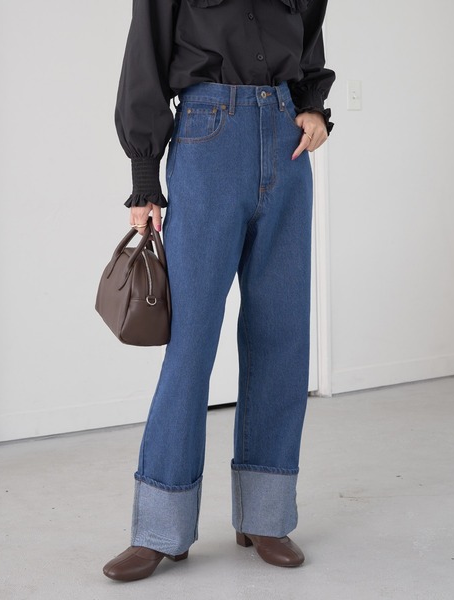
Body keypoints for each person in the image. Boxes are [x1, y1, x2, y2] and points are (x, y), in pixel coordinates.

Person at [103, 0, 335, 581]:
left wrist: (312, 107)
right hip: (208, 137)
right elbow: (145, 56)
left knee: (282, 335)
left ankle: (265, 517)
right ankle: (161, 530)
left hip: (286, 140)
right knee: (190, 343)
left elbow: (309, 37)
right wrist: (144, 179)